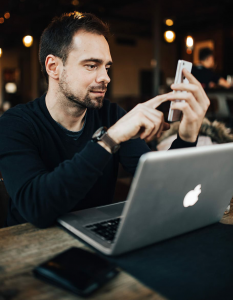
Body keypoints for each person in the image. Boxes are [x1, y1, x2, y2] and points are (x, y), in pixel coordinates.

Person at [0, 12, 210, 228]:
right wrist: (110, 139)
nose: (105, 77)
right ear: (53, 67)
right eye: (91, 65)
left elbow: (164, 186)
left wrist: (187, 136)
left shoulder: (111, 115)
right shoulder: (15, 124)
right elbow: (36, 207)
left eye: (106, 67)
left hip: (96, 237)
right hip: (31, 248)